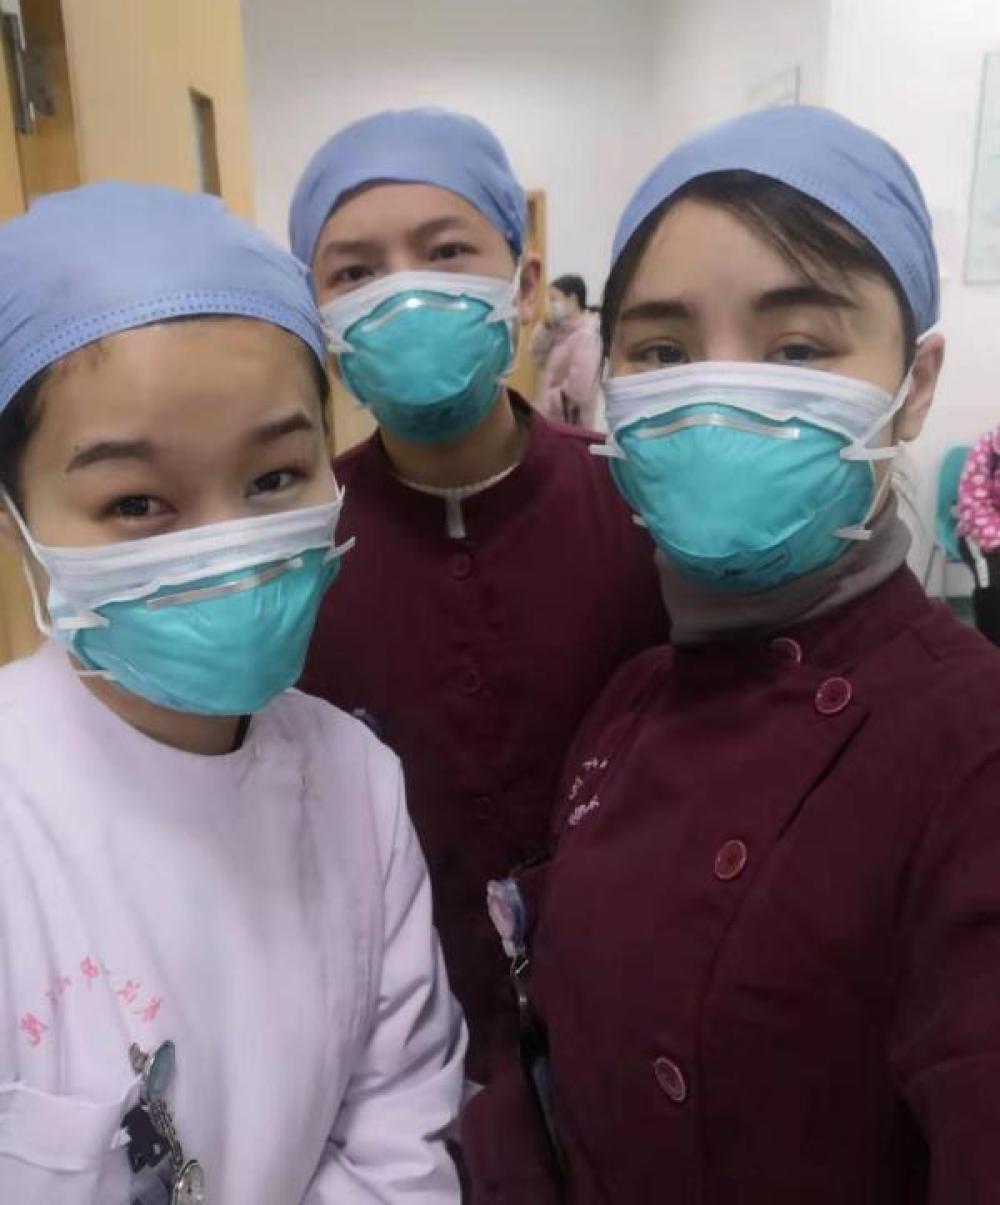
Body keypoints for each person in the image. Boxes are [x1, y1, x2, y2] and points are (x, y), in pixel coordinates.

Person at [464, 106, 1000, 1203]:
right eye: (663, 351)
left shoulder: (972, 750)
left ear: (916, 384)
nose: (716, 396)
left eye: (797, 347)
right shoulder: (628, 700)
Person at [0, 183, 464, 1205]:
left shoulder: (356, 783)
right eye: (136, 501)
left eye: (273, 479)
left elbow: (395, 1130)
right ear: (15, 514)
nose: (224, 542)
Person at [288, 107, 668, 1081]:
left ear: (525, 285)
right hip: (402, 1038)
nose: (405, 290)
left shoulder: (640, 501)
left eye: (446, 251)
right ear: (319, 319)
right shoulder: (298, 547)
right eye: (355, 272)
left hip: (642, 1012)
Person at [530, 275, 602, 427]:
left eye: (554, 299)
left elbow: (580, 390)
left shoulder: (586, 336)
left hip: (568, 426)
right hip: (549, 420)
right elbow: (536, 356)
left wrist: (548, 402)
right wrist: (546, 327)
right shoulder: (560, 331)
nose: (550, 305)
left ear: (572, 299)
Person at [956, 426, 1000, 643]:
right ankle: (991, 649)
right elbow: (972, 504)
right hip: (981, 535)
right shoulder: (989, 446)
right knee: (993, 586)